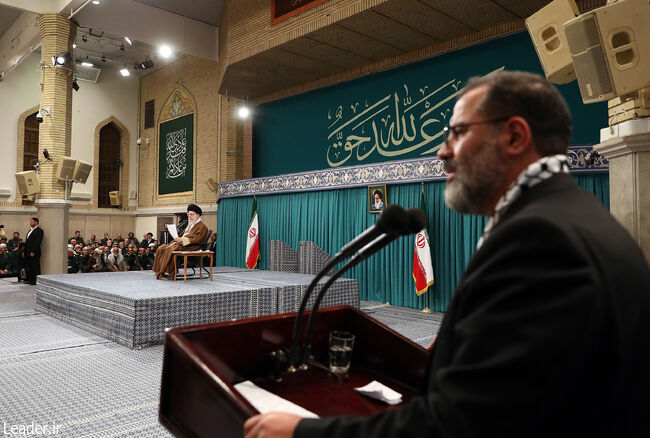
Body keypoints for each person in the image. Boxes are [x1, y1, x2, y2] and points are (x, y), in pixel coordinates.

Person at [243, 72, 650, 438]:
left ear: (514, 136)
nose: (442, 151)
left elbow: (462, 425)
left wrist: (302, 433)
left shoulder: (540, 238)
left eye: (457, 132)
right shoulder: (573, 214)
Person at [152, 204, 209, 279]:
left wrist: (182, 240)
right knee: (161, 248)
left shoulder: (202, 226)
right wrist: (177, 238)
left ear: (197, 215)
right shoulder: (190, 224)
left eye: (191, 215)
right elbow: (184, 235)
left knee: (170, 248)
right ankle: (158, 270)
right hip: (183, 244)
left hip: (192, 246)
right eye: (188, 214)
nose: (189, 216)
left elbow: (197, 238)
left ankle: (168, 272)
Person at [25, 217, 43, 285]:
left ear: (36, 222)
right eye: (30, 221)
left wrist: (33, 251)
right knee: (29, 266)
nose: (30, 223)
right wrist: (25, 252)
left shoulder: (39, 231)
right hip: (28, 252)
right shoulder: (30, 230)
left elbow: (37, 242)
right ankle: (30, 280)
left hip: (34, 252)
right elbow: (28, 242)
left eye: (32, 221)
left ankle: (35, 280)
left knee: (35, 266)